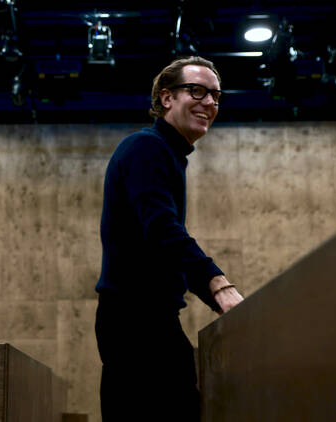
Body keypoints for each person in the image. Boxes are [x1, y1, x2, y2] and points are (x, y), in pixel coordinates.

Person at [94, 56, 244, 421]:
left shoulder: (167, 154)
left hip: (142, 318)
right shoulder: (148, 148)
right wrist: (218, 286)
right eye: (197, 91)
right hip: (137, 320)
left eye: (216, 96)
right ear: (166, 99)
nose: (209, 102)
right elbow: (162, 230)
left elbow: (161, 241)